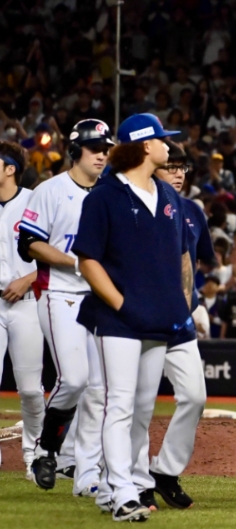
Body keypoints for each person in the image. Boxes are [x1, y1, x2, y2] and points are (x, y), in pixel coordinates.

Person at [73, 113, 195, 522]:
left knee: (142, 409)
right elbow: (87, 260)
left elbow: (176, 258)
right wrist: (121, 305)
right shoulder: (105, 196)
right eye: (162, 140)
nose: (168, 146)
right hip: (119, 320)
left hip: (158, 320)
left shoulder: (168, 196)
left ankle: (115, 484)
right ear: (145, 145)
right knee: (120, 404)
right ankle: (124, 491)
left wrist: (177, 307)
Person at [17, 119, 114, 496]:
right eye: (94, 149)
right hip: (59, 293)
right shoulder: (51, 190)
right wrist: (77, 263)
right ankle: (46, 449)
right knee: (73, 379)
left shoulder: (110, 192)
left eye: (106, 148)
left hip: (98, 298)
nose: (102, 155)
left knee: (99, 390)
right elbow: (31, 243)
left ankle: (84, 470)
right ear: (75, 152)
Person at [143, 140, 216, 510]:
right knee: (136, 403)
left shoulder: (191, 210)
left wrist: (188, 304)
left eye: (183, 167)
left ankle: (165, 471)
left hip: (178, 320)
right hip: (137, 317)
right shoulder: (133, 202)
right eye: (171, 165)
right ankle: (135, 480)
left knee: (195, 397)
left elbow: (197, 261)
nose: (178, 172)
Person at [0, 141, 45, 481]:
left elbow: (53, 253)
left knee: (30, 389)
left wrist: (28, 279)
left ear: (10, 168)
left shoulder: (34, 201)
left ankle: (34, 453)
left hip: (27, 303)